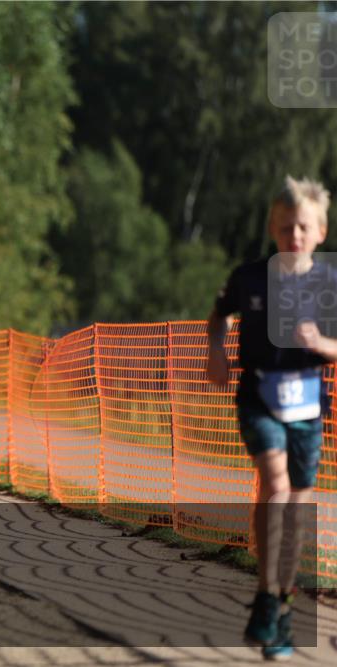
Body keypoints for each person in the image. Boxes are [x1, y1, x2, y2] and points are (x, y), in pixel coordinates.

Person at [207, 176, 333, 660]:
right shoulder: (249, 277)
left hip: (307, 407)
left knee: (297, 504)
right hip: (257, 394)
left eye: (303, 227)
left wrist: (322, 345)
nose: (293, 236)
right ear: (271, 229)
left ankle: (280, 605)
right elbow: (218, 317)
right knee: (275, 487)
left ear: (320, 231)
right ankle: (264, 592)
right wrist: (215, 352)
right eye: (284, 228)